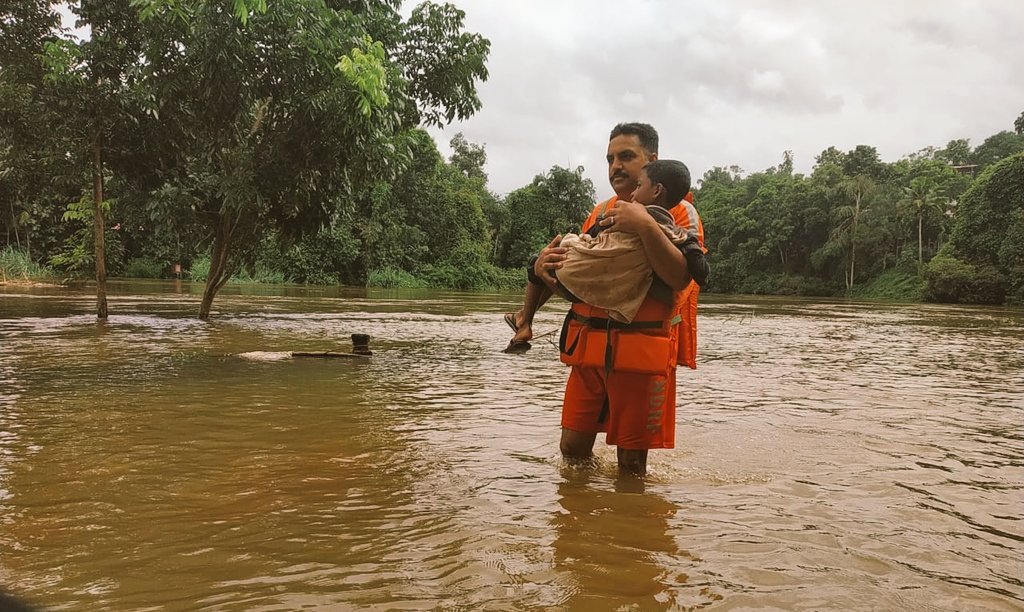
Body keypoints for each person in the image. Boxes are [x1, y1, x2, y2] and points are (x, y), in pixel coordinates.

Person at [507, 122, 705, 476]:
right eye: (610, 158)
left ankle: (626, 526)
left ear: (651, 162)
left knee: (631, 464)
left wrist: (644, 224)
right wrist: (542, 268)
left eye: (626, 157)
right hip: (589, 348)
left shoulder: (678, 211)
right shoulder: (601, 212)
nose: (616, 166)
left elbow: (679, 276)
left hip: (640, 352)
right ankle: (586, 525)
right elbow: (585, 276)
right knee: (572, 450)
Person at [553, 159, 708, 323]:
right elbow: (701, 271)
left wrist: (644, 224)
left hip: (635, 333)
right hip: (588, 325)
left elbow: (683, 279)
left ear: (657, 190)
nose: (633, 193)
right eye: (610, 159)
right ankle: (525, 319)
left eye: (639, 186)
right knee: (543, 262)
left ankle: (525, 317)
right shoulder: (676, 232)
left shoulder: (622, 215)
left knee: (549, 257)